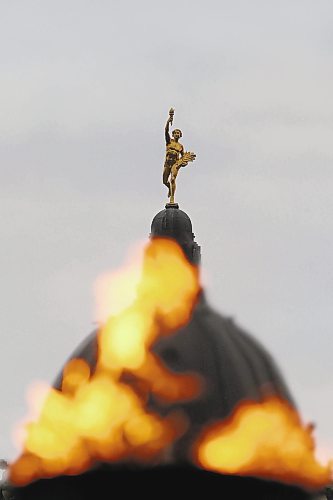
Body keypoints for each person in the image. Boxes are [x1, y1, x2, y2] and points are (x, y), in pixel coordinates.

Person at [162, 109, 195, 204]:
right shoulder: (169, 142)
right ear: (173, 134)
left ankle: (172, 198)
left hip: (175, 164)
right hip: (167, 164)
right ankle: (170, 188)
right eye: (175, 133)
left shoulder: (180, 146)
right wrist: (169, 120)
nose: (177, 134)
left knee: (172, 179)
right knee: (165, 181)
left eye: (178, 133)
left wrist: (184, 161)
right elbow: (165, 130)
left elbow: (183, 156)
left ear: (180, 135)